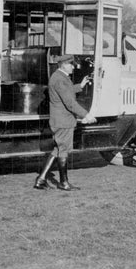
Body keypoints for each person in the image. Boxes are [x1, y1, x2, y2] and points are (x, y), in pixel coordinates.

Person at [34, 54, 95, 191]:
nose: (73, 67)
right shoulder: (60, 79)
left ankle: (41, 179)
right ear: (63, 65)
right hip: (63, 121)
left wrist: (80, 85)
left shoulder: (59, 77)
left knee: (58, 149)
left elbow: (66, 92)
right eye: (71, 64)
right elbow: (69, 102)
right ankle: (63, 183)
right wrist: (87, 114)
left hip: (60, 120)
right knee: (64, 151)